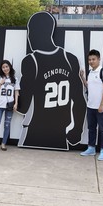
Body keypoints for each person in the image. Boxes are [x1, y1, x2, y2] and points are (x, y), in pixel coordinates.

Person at [17, 11, 86, 150]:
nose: (29, 36)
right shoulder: (70, 59)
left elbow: (23, 106)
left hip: (35, 132)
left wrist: (7, 88)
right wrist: (77, 130)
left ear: (37, 32)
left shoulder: (31, 61)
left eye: (30, 31)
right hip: (60, 134)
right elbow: (79, 100)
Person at [80, 49, 103, 161]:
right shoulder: (90, 73)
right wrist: (83, 77)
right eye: (89, 59)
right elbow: (88, 86)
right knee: (91, 128)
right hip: (90, 106)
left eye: (93, 59)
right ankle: (91, 148)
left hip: (101, 108)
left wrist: (101, 105)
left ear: (99, 59)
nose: (91, 61)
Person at [0, 60, 20, 153]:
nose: (5, 68)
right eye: (3, 67)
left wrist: (16, 103)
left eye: (7, 66)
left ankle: (3, 144)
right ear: (1, 69)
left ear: (9, 67)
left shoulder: (14, 78)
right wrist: (0, 83)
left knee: (7, 125)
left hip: (9, 105)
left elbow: (16, 92)